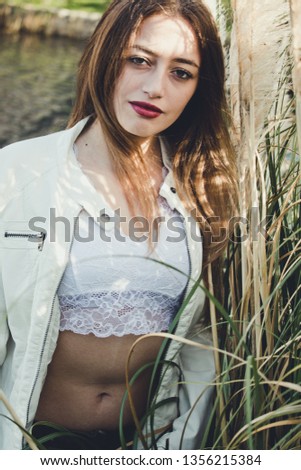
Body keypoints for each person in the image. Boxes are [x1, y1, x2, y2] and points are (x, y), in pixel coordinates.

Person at [0, 0, 237, 450]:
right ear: (106, 56)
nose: (155, 88)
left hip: (150, 443)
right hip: (35, 441)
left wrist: (183, 441)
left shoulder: (201, 185)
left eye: (181, 72)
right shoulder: (18, 172)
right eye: (139, 60)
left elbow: (200, 339)